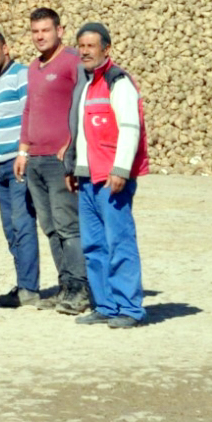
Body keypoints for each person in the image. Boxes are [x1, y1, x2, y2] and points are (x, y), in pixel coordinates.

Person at [63, 22, 149, 329]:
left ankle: (129, 308)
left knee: (119, 242)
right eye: (81, 46)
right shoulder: (87, 85)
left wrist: (121, 169)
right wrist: (72, 168)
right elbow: (80, 132)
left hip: (111, 179)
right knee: (94, 245)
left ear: (106, 49)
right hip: (87, 179)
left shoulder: (118, 82)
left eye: (91, 46)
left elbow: (130, 128)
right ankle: (105, 304)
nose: (84, 51)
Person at [13, 7, 90, 313]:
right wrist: (23, 150)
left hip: (60, 161)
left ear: (60, 30)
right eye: (35, 31)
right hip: (36, 160)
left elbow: (85, 101)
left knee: (68, 226)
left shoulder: (72, 61)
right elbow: (30, 109)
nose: (40, 36)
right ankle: (65, 286)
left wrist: (72, 142)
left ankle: (80, 289)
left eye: (45, 30)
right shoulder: (34, 67)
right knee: (50, 227)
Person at [0, 31, 37, 308]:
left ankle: (29, 289)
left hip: (16, 164)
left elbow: (30, 113)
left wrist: (23, 153)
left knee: (22, 225)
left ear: (6, 49)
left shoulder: (20, 74)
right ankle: (22, 283)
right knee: (10, 228)